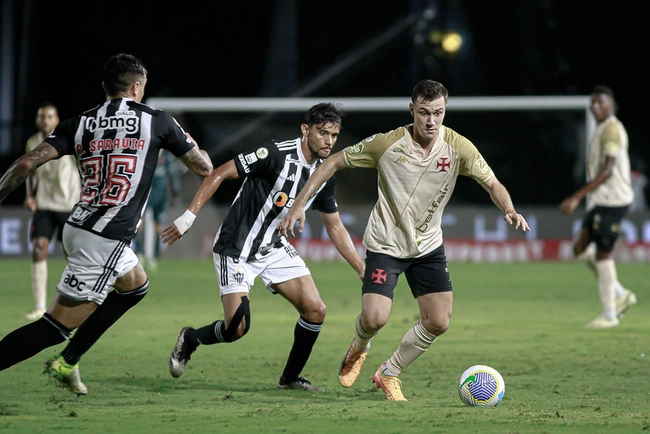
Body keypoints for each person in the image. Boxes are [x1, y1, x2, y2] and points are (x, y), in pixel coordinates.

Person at [278, 80, 530, 401]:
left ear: (445, 111)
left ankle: (389, 372)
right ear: (412, 110)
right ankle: (359, 347)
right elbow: (332, 162)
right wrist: (299, 204)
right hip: (385, 245)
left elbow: (492, 182)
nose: (431, 121)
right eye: (424, 112)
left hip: (427, 247)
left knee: (438, 321)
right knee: (374, 318)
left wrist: (508, 208)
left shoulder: (457, 147)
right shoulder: (386, 144)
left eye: (438, 113)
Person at [0, 53, 213, 395]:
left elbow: (26, 164)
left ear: (105, 87)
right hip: (106, 238)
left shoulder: (79, 122)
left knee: (135, 285)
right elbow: (203, 167)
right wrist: (193, 144)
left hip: (79, 224)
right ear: (137, 86)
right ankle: (63, 358)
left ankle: (69, 361)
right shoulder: (158, 121)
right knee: (53, 327)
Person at [161, 102, 365, 391]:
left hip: (272, 247)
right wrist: (188, 217)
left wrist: (360, 266)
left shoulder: (323, 172)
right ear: (305, 130)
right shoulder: (274, 153)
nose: (329, 141)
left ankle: (290, 378)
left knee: (315, 310)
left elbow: (334, 226)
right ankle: (191, 338)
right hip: (236, 247)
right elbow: (218, 173)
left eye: (334, 136)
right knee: (237, 329)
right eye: (322, 133)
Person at [559, 85, 636, 329]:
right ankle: (621, 293)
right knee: (580, 248)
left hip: (613, 200)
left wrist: (577, 197)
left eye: (601, 103)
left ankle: (610, 315)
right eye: (593, 103)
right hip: (603, 200)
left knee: (603, 253)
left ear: (612, 105)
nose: (596, 107)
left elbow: (608, 170)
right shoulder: (603, 128)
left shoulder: (611, 129)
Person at [23, 102, 81, 321]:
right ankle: (39, 305)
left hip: (69, 205)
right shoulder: (32, 142)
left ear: (56, 119)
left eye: (49, 116)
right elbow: (30, 171)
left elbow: (83, 166)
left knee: (72, 255)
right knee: (39, 248)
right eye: (42, 117)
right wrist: (30, 195)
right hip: (45, 204)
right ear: (38, 120)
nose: (45, 120)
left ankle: (77, 301)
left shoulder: (68, 138)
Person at [135, 148, 182, 270]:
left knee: (158, 226)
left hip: (161, 195)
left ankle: (155, 256)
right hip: (145, 193)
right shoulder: (145, 151)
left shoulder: (166, 157)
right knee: (140, 223)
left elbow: (173, 175)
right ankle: (138, 253)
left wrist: (175, 193)